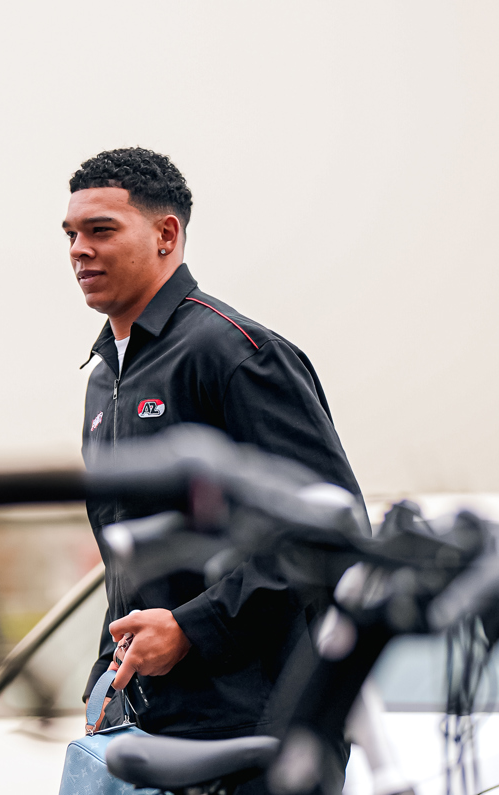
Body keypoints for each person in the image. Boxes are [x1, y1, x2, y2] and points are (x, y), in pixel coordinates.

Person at [64, 148, 364, 789]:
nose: (79, 250)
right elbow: (133, 567)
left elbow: (329, 532)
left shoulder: (236, 354)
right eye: (71, 235)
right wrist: (106, 679)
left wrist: (191, 629)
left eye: (101, 230)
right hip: (147, 729)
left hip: (256, 733)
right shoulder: (103, 380)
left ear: (166, 234)